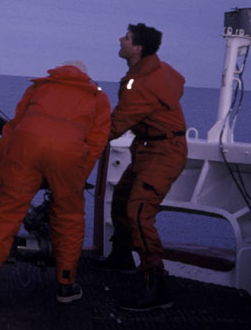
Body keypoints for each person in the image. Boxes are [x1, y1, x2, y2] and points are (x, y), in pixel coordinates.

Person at [0, 61, 111, 312]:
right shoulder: (98, 97)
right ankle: (65, 285)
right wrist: (75, 179)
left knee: (5, 217)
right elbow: (96, 143)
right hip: (68, 155)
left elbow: (11, 132)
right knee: (68, 217)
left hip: (25, 147)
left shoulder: (39, 88)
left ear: (58, 73)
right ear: (86, 77)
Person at [99, 23, 187, 311]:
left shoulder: (141, 85)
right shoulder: (159, 70)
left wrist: (72, 134)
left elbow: (113, 127)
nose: (120, 40)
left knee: (138, 212)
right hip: (150, 147)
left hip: (163, 152)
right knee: (122, 199)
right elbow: (179, 82)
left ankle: (157, 285)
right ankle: (122, 258)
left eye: (126, 38)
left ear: (137, 49)